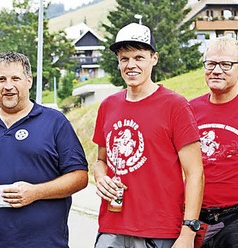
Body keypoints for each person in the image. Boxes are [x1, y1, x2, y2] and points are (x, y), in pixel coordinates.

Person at [0, 52, 88, 247]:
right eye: (2, 79)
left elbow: (80, 176)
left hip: (45, 242)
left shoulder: (54, 122)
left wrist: (36, 192)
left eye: (15, 78)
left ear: (29, 81)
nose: (8, 86)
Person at [92, 23, 204, 248]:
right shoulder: (108, 106)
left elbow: (195, 173)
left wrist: (188, 232)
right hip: (111, 228)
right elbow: (101, 161)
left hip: (159, 231)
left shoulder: (175, 105)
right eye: (124, 59)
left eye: (139, 57)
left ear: (154, 58)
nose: (131, 65)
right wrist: (100, 177)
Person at [189, 37, 238, 248]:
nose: (216, 70)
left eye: (226, 64)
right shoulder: (189, 110)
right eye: (211, 63)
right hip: (195, 219)